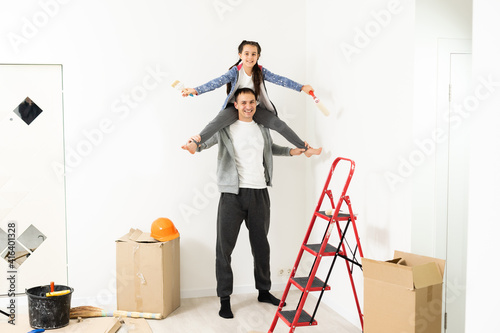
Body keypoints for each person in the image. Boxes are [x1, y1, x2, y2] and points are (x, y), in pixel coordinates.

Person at [186, 88, 303, 319]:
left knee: (261, 246)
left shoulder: (262, 128)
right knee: (224, 249)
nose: (248, 106)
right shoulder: (226, 129)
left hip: (259, 193)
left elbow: (270, 150)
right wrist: (194, 146)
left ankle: (264, 291)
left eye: (252, 102)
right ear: (235, 105)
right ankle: (225, 299)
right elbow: (204, 143)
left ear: (256, 104)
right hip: (232, 195)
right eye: (243, 102)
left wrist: (291, 151)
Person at [180, 40, 322, 157]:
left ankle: (305, 149)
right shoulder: (235, 72)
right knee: (216, 123)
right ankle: (195, 143)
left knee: (280, 125)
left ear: (258, 56)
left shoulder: (260, 71)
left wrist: (301, 87)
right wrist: (196, 90)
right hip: (234, 107)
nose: (250, 57)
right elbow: (216, 82)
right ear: (240, 55)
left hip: (255, 107)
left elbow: (280, 80)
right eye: (246, 53)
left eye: (253, 54)